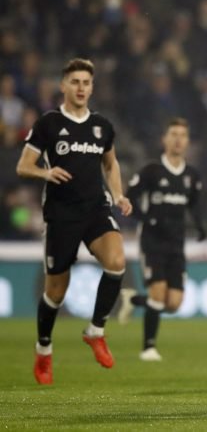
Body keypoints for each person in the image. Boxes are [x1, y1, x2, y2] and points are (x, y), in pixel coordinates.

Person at [15, 58, 132, 385]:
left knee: (117, 262)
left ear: (92, 87)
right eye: (75, 82)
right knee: (56, 292)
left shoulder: (101, 126)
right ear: (64, 86)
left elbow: (111, 164)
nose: (81, 88)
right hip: (61, 214)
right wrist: (45, 172)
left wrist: (119, 195)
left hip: (96, 209)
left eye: (86, 83)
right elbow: (23, 166)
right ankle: (43, 349)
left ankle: (96, 331)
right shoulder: (48, 124)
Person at [117, 117, 205, 362]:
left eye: (182, 135)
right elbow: (128, 200)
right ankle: (148, 348)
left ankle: (133, 299)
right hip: (152, 241)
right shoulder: (151, 171)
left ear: (187, 142)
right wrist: (147, 219)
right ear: (164, 139)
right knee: (158, 293)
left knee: (174, 303)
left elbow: (195, 205)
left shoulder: (191, 175)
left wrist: (199, 227)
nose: (178, 139)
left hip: (177, 244)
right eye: (173, 134)